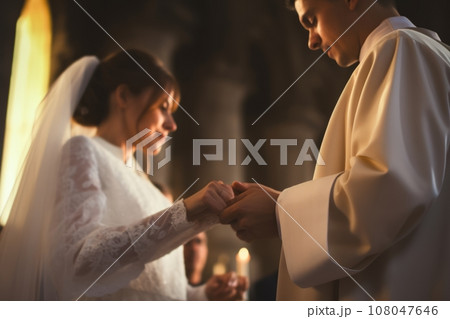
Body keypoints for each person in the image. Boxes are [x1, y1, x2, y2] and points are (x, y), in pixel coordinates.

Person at [220, 0, 450, 300]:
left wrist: (281, 213)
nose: (312, 40)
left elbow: (390, 188)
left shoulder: (399, 48)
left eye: (312, 20)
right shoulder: (423, 52)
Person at [0, 49, 247, 301]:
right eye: (163, 107)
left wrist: (204, 294)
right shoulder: (84, 150)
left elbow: (159, 287)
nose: (172, 125)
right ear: (123, 96)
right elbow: (79, 258)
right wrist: (185, 211)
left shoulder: (147, 183)